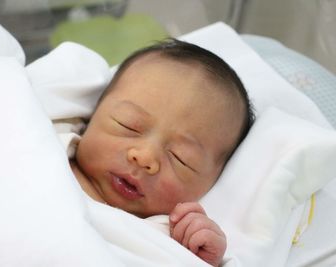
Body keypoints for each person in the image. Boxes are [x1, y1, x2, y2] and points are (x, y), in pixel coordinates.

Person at [65, 39, 254, 267]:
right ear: (92, 114)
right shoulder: (46, 143)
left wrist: (202, 259)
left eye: (181, 159)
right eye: (128, 125)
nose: (145, 157)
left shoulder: (170, 236)